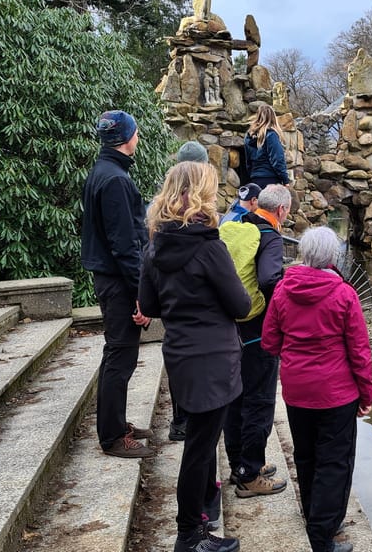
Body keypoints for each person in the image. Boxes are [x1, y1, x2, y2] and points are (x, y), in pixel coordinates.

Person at [138, 161, 251, 552]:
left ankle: (200, 523)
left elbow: (149, 304)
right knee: (200, 448)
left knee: (199, 441)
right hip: (215, 359)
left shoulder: (154, 246)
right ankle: (189, 535)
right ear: (199, 194)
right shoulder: (209, 247)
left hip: (181, 354)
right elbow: (240, 305)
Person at [262, 226, 372, 552]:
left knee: (306, 456)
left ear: (303, 254)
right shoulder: (344, 294)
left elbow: (269, 342)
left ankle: (314, 516)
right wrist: (366, 395)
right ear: (333, 257)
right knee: (335, 462)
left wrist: (295, 355)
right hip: (337, 394)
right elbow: (359, 352)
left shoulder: (283, 291)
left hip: (297, 392)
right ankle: (322, 536)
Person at [81, 109, 155, 459]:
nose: (137, 138)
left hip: (109, 277)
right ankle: (112, 436)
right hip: (116, 280)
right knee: (120, 356)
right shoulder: (116, 181)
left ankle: (117, 422)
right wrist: (141, 295)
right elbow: (125, 245)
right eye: (136, 133)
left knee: (118, 354)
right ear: (127, 138)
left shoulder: (103, 172)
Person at [220, 184, 292, 498]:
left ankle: (240, 463)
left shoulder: (238, 227)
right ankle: (251, 474)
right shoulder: (271, 237)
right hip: (258, 332)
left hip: (230, 326)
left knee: (235, 397)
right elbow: (268, 279)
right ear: (282, 210)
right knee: (260, 401)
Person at [167, 139, 210, 442]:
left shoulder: (162, 209)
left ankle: (181, 419)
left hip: (173, 307)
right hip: (196, 303)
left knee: (179, 360)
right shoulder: (199, 209)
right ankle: (190, 419)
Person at [244, 104, 289, 188]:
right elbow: (277, 160)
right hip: (271, 180)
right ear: (273, 118)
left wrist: (252, 175)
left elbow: (248, 162)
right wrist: (285, 180)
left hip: (255, 180)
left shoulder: (248, 137)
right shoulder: (271, 135)